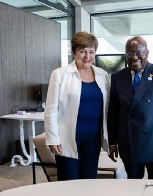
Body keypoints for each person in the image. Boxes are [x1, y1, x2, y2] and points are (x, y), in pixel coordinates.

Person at [107, 36, 153, 179]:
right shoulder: (117, 77)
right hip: (130, 143)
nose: (134, 57)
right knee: (134, 186)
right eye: (130, 53)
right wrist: (112, 142)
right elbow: (113, 113)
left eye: (139, 52)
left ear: (147, 53)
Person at [44, 31, 109, 181]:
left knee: (89, 179)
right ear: (74, 52)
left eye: (91, 52)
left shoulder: (102, 75)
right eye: (82, 51)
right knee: (69, 180)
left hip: (93, 137)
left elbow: (106, 108)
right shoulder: (60, 74)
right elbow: (51, 110)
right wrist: (53, 138)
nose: (87, 56)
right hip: (67, 137)